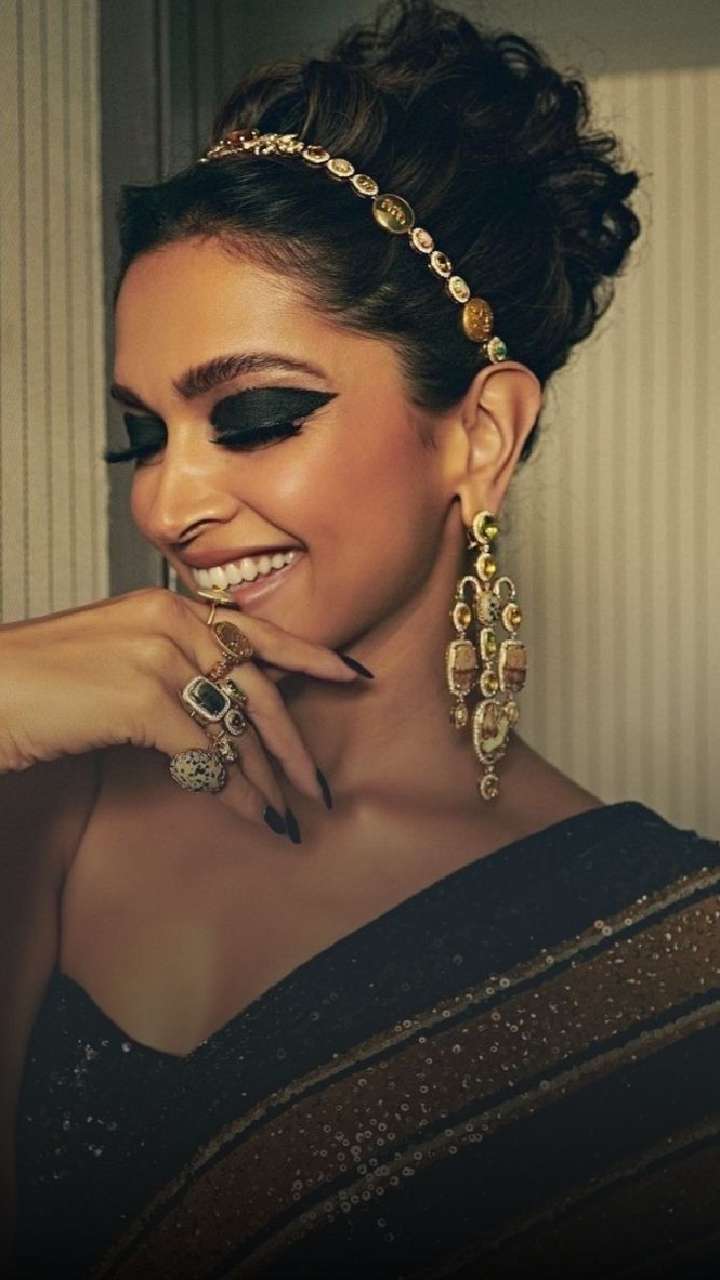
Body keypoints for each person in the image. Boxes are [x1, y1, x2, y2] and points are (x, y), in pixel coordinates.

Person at [1, 0, 718, 1275]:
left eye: (255, 415)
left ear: (479, 434)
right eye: (144, 435)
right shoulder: (58, 801)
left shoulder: (673, 955)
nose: (166, 502)